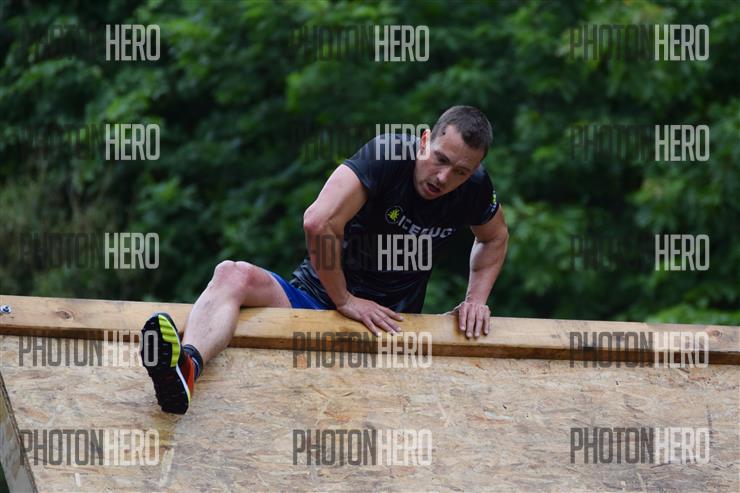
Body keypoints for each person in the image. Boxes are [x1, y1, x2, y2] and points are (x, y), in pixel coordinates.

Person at [140, 105, 509, 414]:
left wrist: (475, 300)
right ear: (424, 140)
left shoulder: (475, 189)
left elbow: (494, 238)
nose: (443, 178)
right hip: (314, 303)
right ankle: (187, 367)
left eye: (460, 172)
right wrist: (345, 299)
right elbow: (318, 221)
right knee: (231, 275)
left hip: (387, 329)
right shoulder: (387, 155)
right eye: (440, 159)